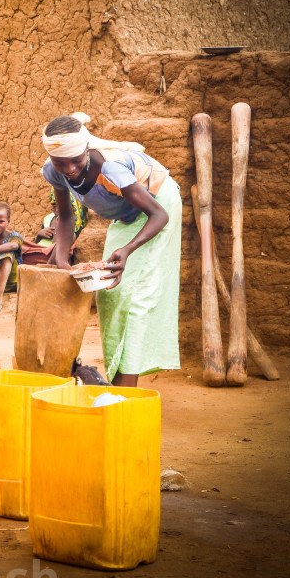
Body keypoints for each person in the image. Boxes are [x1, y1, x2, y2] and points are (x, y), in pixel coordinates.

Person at [41, 112, 181, 387]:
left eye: (76, 161)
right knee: (110, 291)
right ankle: (117, 375)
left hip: (158, 207)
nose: (69, 169)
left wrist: (127, 250)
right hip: (127, 216)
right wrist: (62, 263)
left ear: (87, 150)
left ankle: (125, 388)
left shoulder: (111, 167)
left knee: (136, 295)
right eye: (61, 163)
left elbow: (158, 215)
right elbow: (67, 216)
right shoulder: (53, 171)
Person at [22, 189, 89, 266]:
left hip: (54, 255)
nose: (57, 209)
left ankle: (47, 264)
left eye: (61, 205)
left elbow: (60, 245)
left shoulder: (76, 222)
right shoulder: (48, 218)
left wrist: (59, 227)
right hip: (40, 250)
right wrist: (39, 234)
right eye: (54, 206)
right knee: (18, 242)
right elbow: (37, 242)